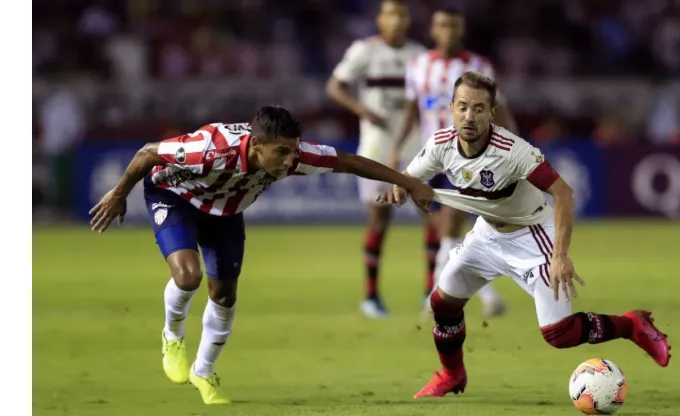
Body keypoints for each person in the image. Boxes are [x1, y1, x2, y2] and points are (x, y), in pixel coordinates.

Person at [89, 106, 434, 405]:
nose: (289, 162)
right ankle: (173, 336)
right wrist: (120, 194)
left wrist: (410, 181)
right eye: (281, 152)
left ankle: (204, 371)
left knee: (224, 295)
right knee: (188, 276)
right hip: (176, 196)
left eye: (293, 152)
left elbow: (349, 161)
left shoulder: (294, 156)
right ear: (256, 145)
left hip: (225, 211)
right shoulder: (210, 148)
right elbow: (148, 153)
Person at [377, 72, 671, 398]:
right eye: (462, 107)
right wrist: (399, 190)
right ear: (451, 108)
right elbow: (407, 179)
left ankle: (631, 325)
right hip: (487, 236)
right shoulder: (440, 144)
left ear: (491, 113)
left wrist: (560, 255)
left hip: (533, 235)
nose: (469, 116)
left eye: (478, 109)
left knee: (559, 334)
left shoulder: (513, 151)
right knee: (442, 304)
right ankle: (452, 375)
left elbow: (563, 193)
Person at [392, 8, 519, 316]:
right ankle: (489, 296)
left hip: (467, 155)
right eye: (441, 25)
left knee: (448, 227)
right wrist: (396, 148)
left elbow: (498, 108)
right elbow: (412, 111)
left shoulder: (478, 66)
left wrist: (515, 143)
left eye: (453, 25)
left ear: (461, 31)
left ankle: (433, 300)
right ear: (433, 30)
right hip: (428, 155)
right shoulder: (418, 67)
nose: (447, 31)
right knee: (442, 232)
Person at [326, 0, 430, 318]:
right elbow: (335, 86)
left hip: (418, 148)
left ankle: (432, 291)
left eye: (401, 14)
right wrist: (363, 111)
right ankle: (371, 296)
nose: (396, 20)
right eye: (390, 14)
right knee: (379, 220)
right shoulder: (364, 51)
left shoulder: (420, 56)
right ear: (379, 19)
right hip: (376, 150)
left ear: (408, 19)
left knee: (433, 217)